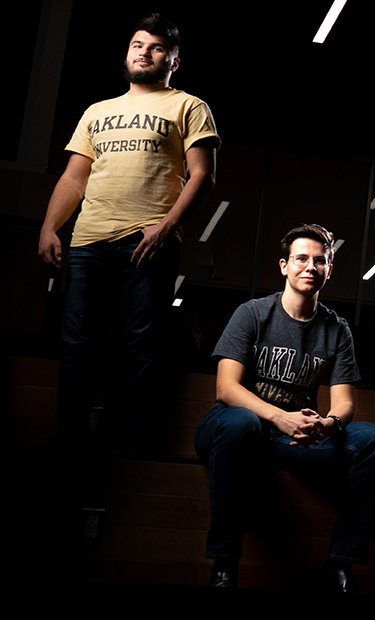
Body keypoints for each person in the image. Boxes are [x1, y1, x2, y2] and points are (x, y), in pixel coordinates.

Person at [37, 13, 219, 445]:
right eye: (138, 44)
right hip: (88, 241)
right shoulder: (98, 111)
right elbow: (73, 178)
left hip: (146, 242)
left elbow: (202, 176)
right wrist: (49, 227)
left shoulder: (187, 106)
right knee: (78, 342)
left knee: (141, 343)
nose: (144, 52)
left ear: (173, 61)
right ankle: (72, 438)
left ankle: (128, 442)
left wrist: (166, 227)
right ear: (128, 52)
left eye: (157, 48)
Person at [195, 224, 375, 591]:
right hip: (239, 432)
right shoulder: (253, 313)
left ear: (329, 270)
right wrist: (279, 417)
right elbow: (226, 388)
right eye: (301, 259)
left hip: (294, 440)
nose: (310, 267)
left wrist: (328, 425)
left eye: (320, 261)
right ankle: (224, 562)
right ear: (284, 266)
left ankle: (340, 565)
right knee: (240, 422)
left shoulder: (336, 329)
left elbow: (344, 402)